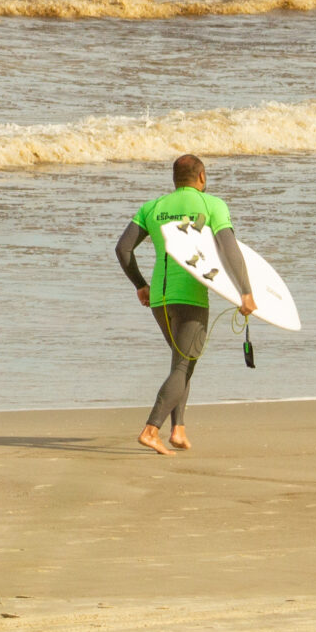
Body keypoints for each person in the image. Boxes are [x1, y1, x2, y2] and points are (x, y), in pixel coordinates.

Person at [115, 154, 255, 458]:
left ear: (174, 180)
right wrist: (245, 292)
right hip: (191, 298)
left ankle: (178, 429)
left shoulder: (153, 207)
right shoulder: (212, 205)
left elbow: (123, 249)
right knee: (183, 364)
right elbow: (230, 250)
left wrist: (140, 284)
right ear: (202, 177)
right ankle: (151, 430)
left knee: (181, 362)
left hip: (159, 301)